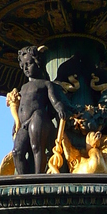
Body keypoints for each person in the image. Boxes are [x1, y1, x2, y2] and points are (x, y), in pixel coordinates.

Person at [12, 46, 68, 175]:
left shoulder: (46, 84)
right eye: (23, 65)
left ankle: (38, 176)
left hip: (38, 117)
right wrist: (16, 123)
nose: (26, 68)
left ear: (38, 64)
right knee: (17, 152)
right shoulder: (24, 86)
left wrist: (59, 107)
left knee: (37, 147)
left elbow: (54, 100)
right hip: (23, 123)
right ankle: (23, 179)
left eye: (29, 64)